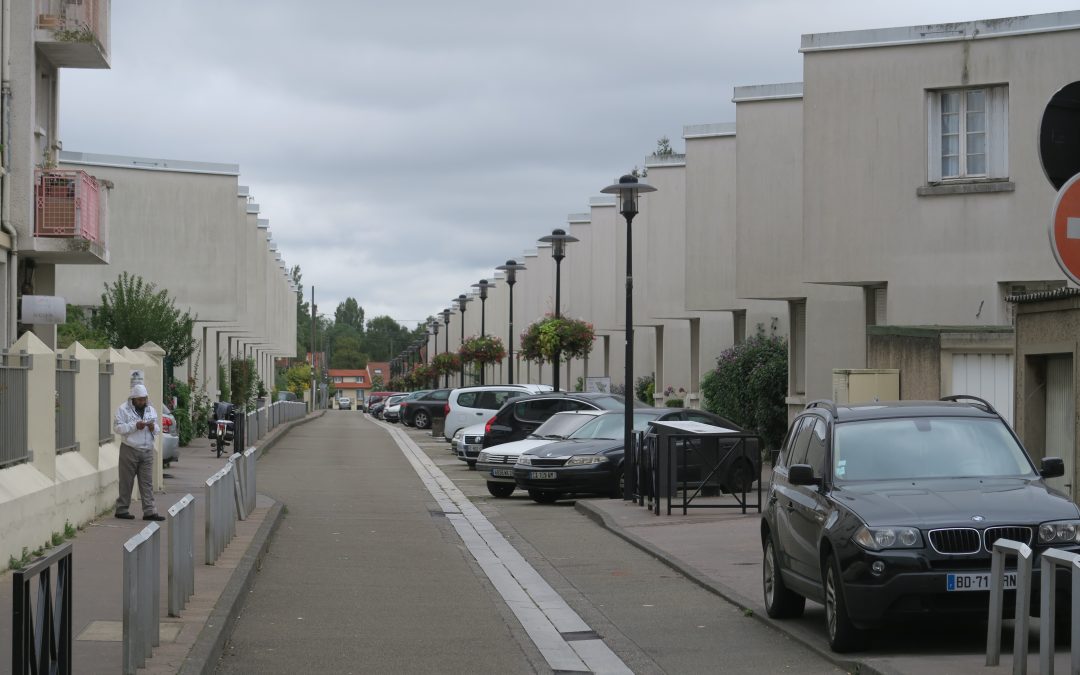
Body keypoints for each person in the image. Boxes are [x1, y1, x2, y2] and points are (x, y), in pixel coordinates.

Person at [114, 383, 165, 521]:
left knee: (147, 482)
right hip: (129, 449)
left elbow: (158, 430)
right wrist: (134, 426)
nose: (142, 402)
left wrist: (152, 426)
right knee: (126, 481)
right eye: (139, 399)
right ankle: (122, 509)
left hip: (147, 450)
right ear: (133, 399)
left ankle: (149, 511)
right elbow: (118, 428)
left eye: (144, 399)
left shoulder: (151, 410)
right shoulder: (123, 410)